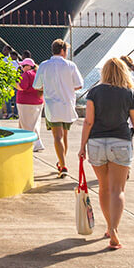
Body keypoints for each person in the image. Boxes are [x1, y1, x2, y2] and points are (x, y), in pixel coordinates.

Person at [78, 58, 134, 250]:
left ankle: (109, 227)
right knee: (118, 190)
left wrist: (82, 146)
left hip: (96, 143)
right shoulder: (128, 93)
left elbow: (88, 122)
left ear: (104, 72)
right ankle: (114, 229)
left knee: (104, 188)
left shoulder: (94, 92)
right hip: (120, 142)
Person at [33, 38, 84, 176]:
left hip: (52, 105)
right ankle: (62, 162)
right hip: (67, 104)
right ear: (62, 51)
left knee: (57, 136)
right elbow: (80, 84)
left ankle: (63, 165)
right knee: (64, 135)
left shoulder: (44, 65)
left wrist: (48, 86)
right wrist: (67, 87)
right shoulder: (71, 65)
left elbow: (36, 85)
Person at [14, 57, 46, 152]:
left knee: (27, 125)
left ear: (28, 66)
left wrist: (12, 83)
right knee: (35, 123)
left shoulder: (27, 74)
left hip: (25, 103)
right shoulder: (38, 73)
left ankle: (32, 144)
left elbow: (21, 87)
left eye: (23, 66)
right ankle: (37, 143)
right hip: (38, 102)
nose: (22, 68)